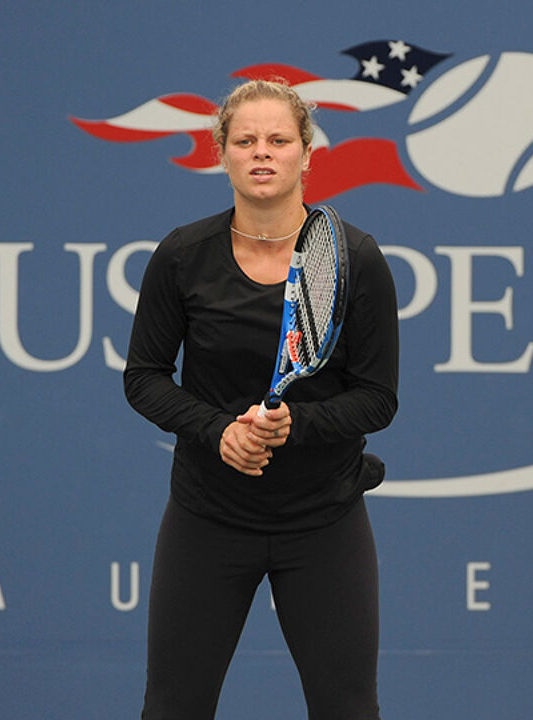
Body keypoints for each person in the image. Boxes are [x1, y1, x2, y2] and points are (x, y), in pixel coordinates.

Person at [124, 78, 398, 719]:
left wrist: (290, 425)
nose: (262, 153)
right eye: (245, 140)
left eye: (279, 139)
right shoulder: (182, 256)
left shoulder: (358, 260)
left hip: (323, 519)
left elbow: (378, 399)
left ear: (307, 152)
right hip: (207, 517)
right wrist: (219, 431)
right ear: (222, 154)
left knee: (348, 709)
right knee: (172, 707)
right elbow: (145, 377)